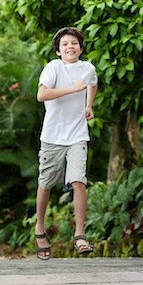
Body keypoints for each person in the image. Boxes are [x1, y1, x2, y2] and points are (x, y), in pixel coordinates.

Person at [34, 27, 98, 260]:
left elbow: (92, 83)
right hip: (52, 136)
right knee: (46, 183)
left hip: (77, 135)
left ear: (80, 48)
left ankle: (80, 235)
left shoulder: (87, 68)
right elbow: (41, 95)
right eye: (65, 45)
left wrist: (88, 105)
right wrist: (72, 89)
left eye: (74, 43)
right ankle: (39, 228)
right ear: (59, 51)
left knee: (79, 181)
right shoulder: (53, 68)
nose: (70, 47)